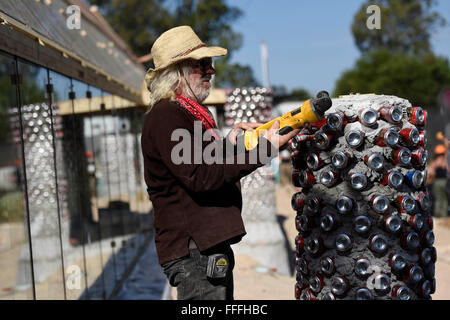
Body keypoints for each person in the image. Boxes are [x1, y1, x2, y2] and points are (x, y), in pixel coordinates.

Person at [141, 26, 301, 300]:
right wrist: (265, 149)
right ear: (176, 72)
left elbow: (200, 163)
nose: (211, 71)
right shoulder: (167, 116)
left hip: (202, 249)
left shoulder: (186, 114)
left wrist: (232, 144)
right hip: (194, 251)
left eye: (210, 63)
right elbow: (201, 175)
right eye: (202, 64)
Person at [427, 144, 449, 217]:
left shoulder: (435, 161)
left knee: (437, 198)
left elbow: (430, 172)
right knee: (444, 198)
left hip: (436, 182)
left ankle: (437, 214)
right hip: (444, 182)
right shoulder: (445, 161)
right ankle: (443, 215)